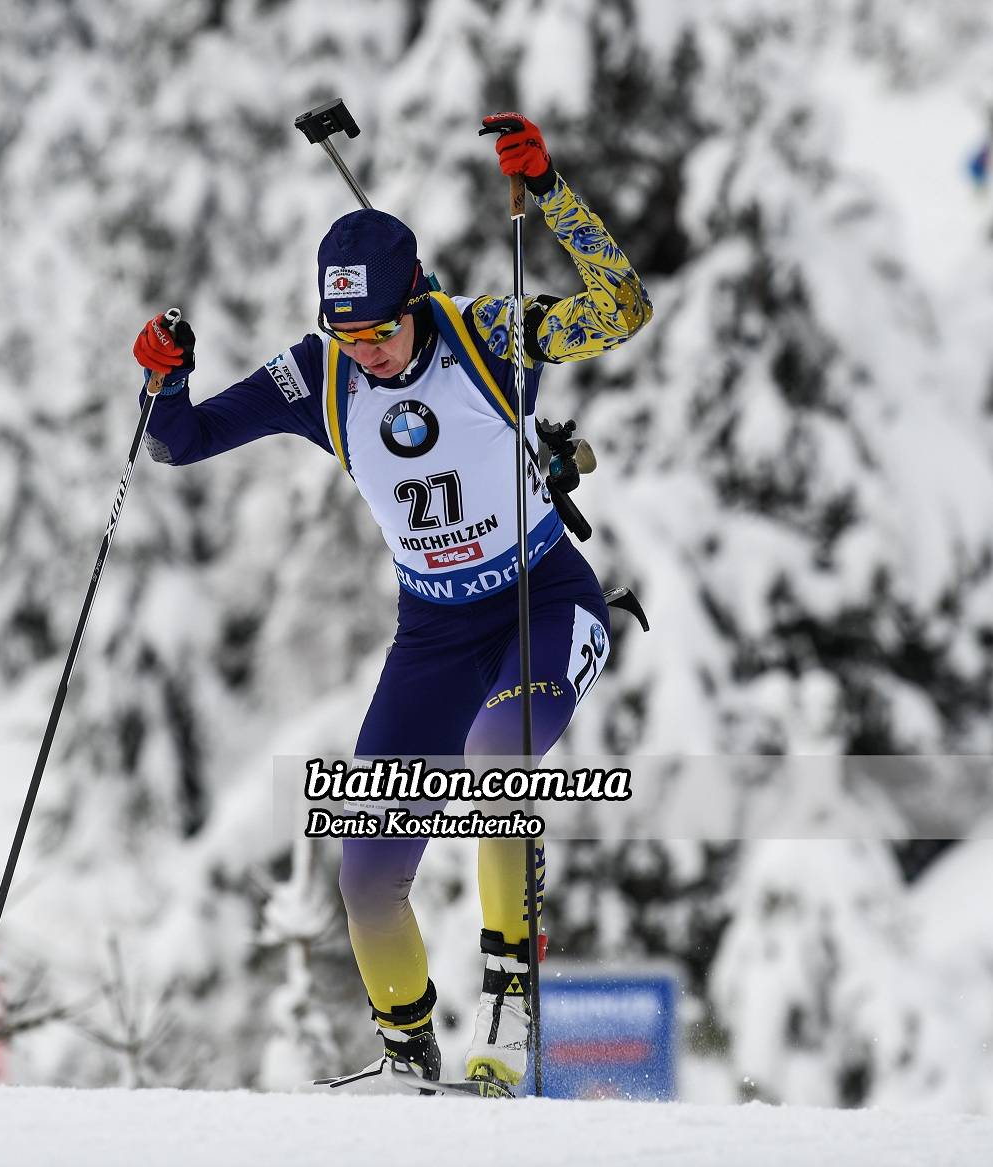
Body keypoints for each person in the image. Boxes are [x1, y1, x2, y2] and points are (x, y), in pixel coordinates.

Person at [130, 113, 652, 1095]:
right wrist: (165, 378)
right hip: (434, 637)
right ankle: (408, 1055)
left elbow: (622, 308)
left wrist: (549, 190)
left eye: (379, 331)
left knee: (499, 759)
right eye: (347, 335)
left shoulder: (485, 334)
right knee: (365, 872)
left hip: (543, 602)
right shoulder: (319, 374)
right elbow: (180, 441)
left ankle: (510, 1003)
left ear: (416, 300)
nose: (365, 353)